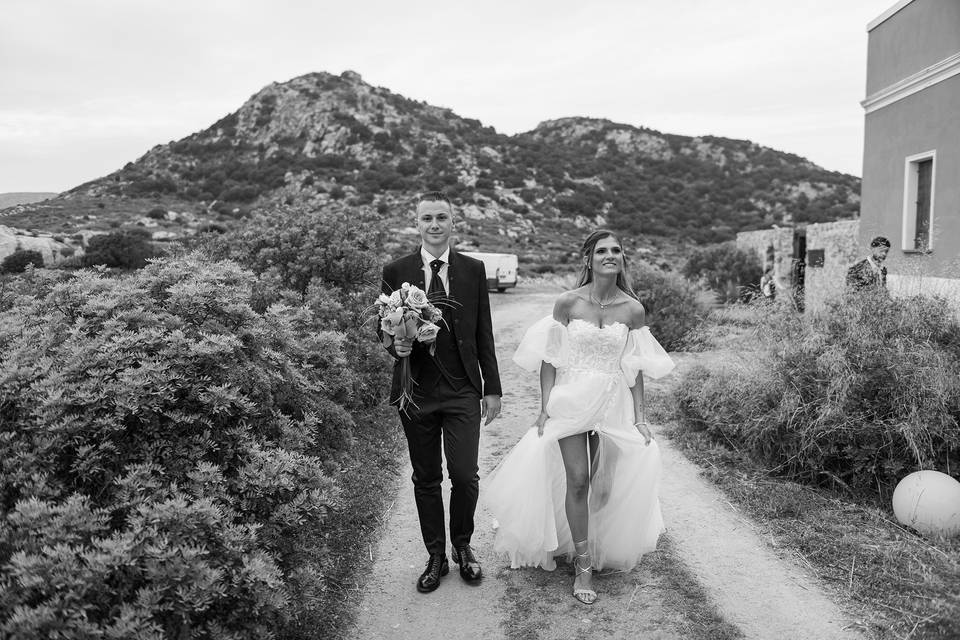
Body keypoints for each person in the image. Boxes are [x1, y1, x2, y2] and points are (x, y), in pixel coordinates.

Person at [484, 230, 674, 605]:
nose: (610, 255)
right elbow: (550, 359)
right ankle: (583, 566)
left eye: (616, 250)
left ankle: (579, 539)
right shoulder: (567, 303)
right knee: (578, 478)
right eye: (602, 250)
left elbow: (633, 367)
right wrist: (544, 407)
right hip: (572, 399)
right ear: (588, 259)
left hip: (613, 402)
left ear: (622, 259)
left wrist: (639, 416)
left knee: (603, 489)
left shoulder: (632, 309)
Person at [380, 191, 503, 593]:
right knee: (426, 476)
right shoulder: (395, 269)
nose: (435, 225)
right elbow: (383, 329)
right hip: (416, 391)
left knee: (465, 475)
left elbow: (484, 333)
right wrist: (393, 345)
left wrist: (492, 389)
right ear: (417, 223)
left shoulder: (472, 269)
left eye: (442, 218)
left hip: (463, 390)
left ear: (453, 223)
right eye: (427, 218)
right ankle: (435, 555)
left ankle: (463, 546)